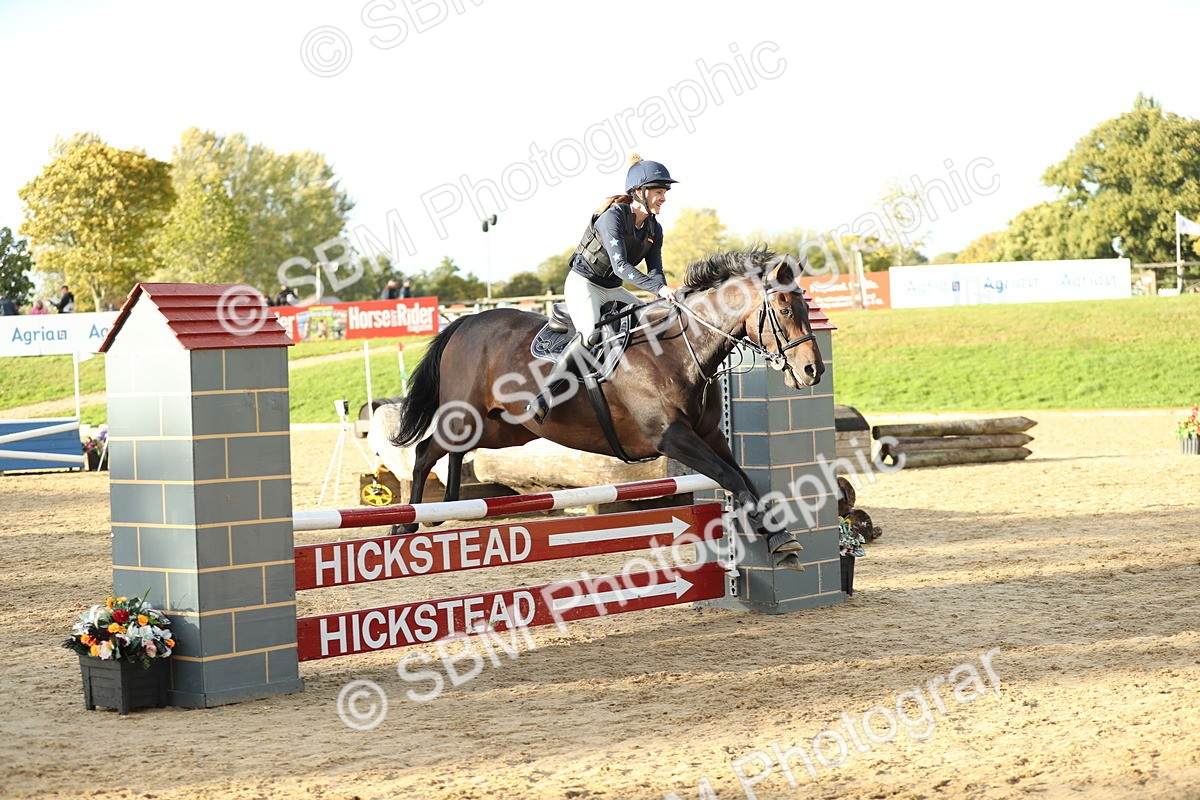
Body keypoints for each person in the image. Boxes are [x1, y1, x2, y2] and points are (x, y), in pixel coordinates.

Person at [525, 153, 677, 424]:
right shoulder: (613, 217)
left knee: (648, 323)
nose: (664, 197)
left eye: (664, 191)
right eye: (659, 191)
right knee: (590, 334)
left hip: (613, 288)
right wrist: (658, 289)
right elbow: (620, 266)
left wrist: (663, 293)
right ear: (639, 192)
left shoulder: (655, 227)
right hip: (585, 283)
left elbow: (655, 270)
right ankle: (543, 396)